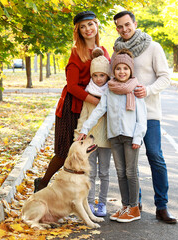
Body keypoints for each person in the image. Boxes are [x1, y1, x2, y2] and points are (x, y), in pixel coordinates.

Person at [34, 11, 110, 192]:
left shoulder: (104, 51)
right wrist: (95, 101)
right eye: (82, 27)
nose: (88, 29)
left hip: (93, 108)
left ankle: (75, 193)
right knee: (66, 150)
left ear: (96, 25)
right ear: (78, 31)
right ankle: (43, 183)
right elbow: (72, 86)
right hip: (73, 105)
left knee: (85, 151)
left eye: (90, 24)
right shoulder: (77, 52)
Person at [112, 10, 177, 224]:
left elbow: (165, 77)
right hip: (127, 116)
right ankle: (134, 203)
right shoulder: (117, 50)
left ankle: (162, 206)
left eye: (127, 24)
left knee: (155, 157)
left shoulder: (153, 47)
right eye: (120, 26)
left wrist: (147, 90)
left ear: (134, 23)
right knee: (131, 165)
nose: (124, 29)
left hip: (149, 113)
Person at [78, 49, 147, 223]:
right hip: (115, 137)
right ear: (113, 71)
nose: (121, 72)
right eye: (118, 68)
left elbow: (142, 118)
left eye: (125, 68)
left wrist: (138, 137)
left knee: (131, 172)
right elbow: (99, 111)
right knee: (120, 172)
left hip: (131, 138)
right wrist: (85, 129)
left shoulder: (136, 90)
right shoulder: (110, 90)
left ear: (130, 70)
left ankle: (134, 207)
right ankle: (125, 206)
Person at [73, 47, 111, 217]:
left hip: (108, 140)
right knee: (91, 173)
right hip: (91, 140)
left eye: (102, 75)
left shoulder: (113, 93)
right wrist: (78, 135)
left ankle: (102, 203)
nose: (98, 79)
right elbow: (83, 117)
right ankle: (89, 203)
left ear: (108, 75)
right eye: (95, 75)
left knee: (104, 172)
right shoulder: (89, 94)